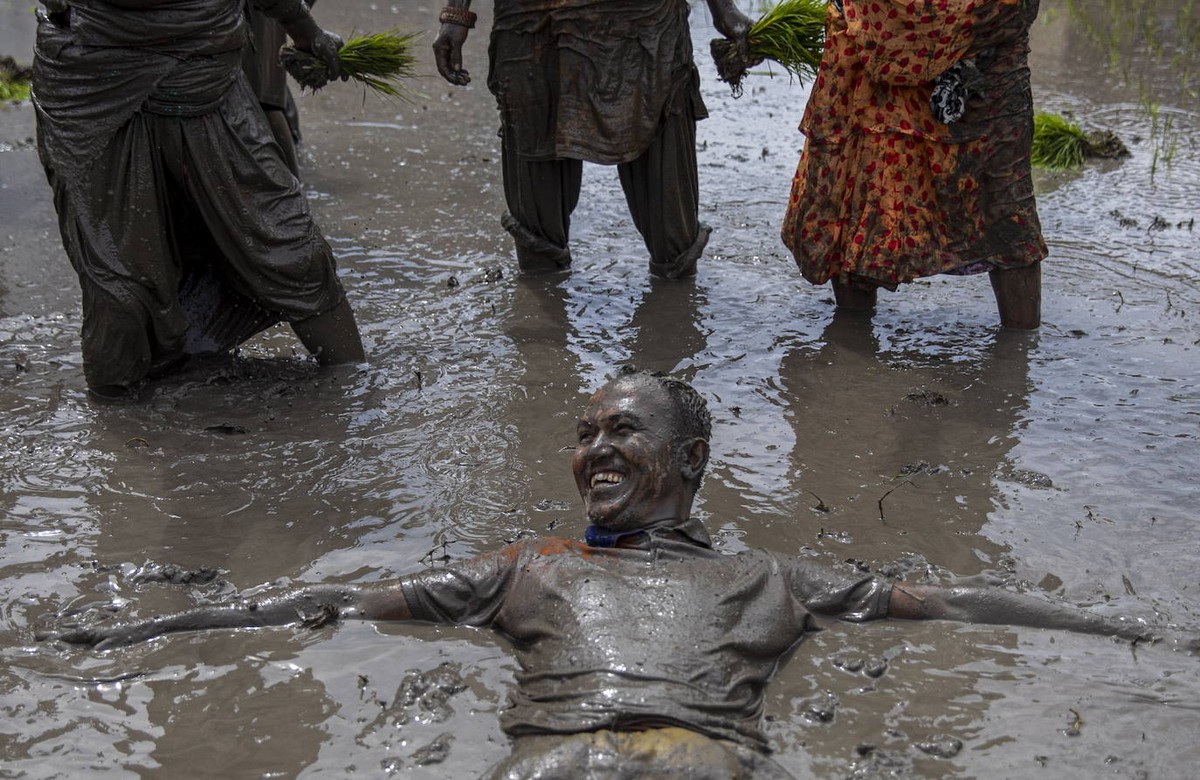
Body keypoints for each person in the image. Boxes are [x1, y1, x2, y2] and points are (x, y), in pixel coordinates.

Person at [44, 369, 1166, 777]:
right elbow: (327, 601)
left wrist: (1134, 633)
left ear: (687, 463)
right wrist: (146, 635)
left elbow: (960, 603)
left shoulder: (781, 575)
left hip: (711, 760)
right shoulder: (522, 571)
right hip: (552, 762)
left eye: (621, 431)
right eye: (584, 434)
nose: (593, 451)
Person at [32, 0, 365, 401]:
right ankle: (121, 434)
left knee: (289, 246)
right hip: (92, 83)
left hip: (206, 74)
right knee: (119, 289)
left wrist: (306, 32)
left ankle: (358, 397)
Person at [431, 0, 755, 279]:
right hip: (533, 20)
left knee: (673, 234)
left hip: (644, 19)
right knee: (536, 231)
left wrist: (723, 9)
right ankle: (543, 331)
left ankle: (673, 325)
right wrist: (455, 14)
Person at [780, 0, 1046, 328]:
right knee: (864, 188)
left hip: (976, 34)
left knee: (1003, 204)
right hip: (881, 23)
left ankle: (1020, 352)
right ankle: (850, 343)